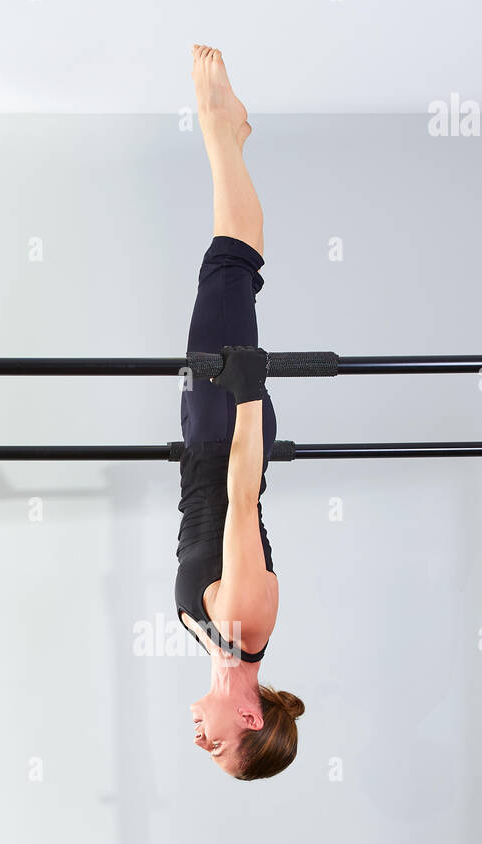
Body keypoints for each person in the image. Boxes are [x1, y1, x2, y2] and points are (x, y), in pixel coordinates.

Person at [177, 46, 304, 780]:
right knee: (228, 272)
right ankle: (218, 125)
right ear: (250, 717)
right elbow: (241, 494)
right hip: (229, 427)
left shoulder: (220, 641)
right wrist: (248, 387)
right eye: (221, 746)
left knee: (232, 276)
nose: (203, 742)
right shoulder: (246, 619)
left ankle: (230, 134)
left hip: (208, 436)